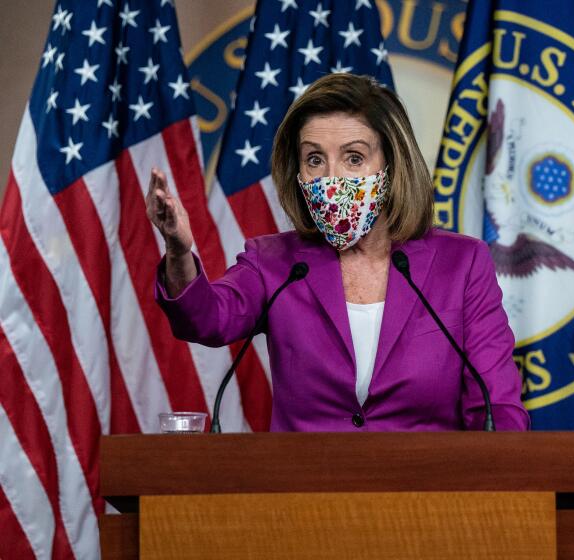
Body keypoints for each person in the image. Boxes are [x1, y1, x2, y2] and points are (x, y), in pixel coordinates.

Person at [147, 73, 529, 431]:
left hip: (428, 495)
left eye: (354, 158)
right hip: (303, 495)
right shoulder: (275, 263)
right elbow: (206, 320)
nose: (332, 178)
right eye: (315, 159)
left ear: (392, 166)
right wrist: (179, 251)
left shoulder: (461, 264)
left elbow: (497, 409)